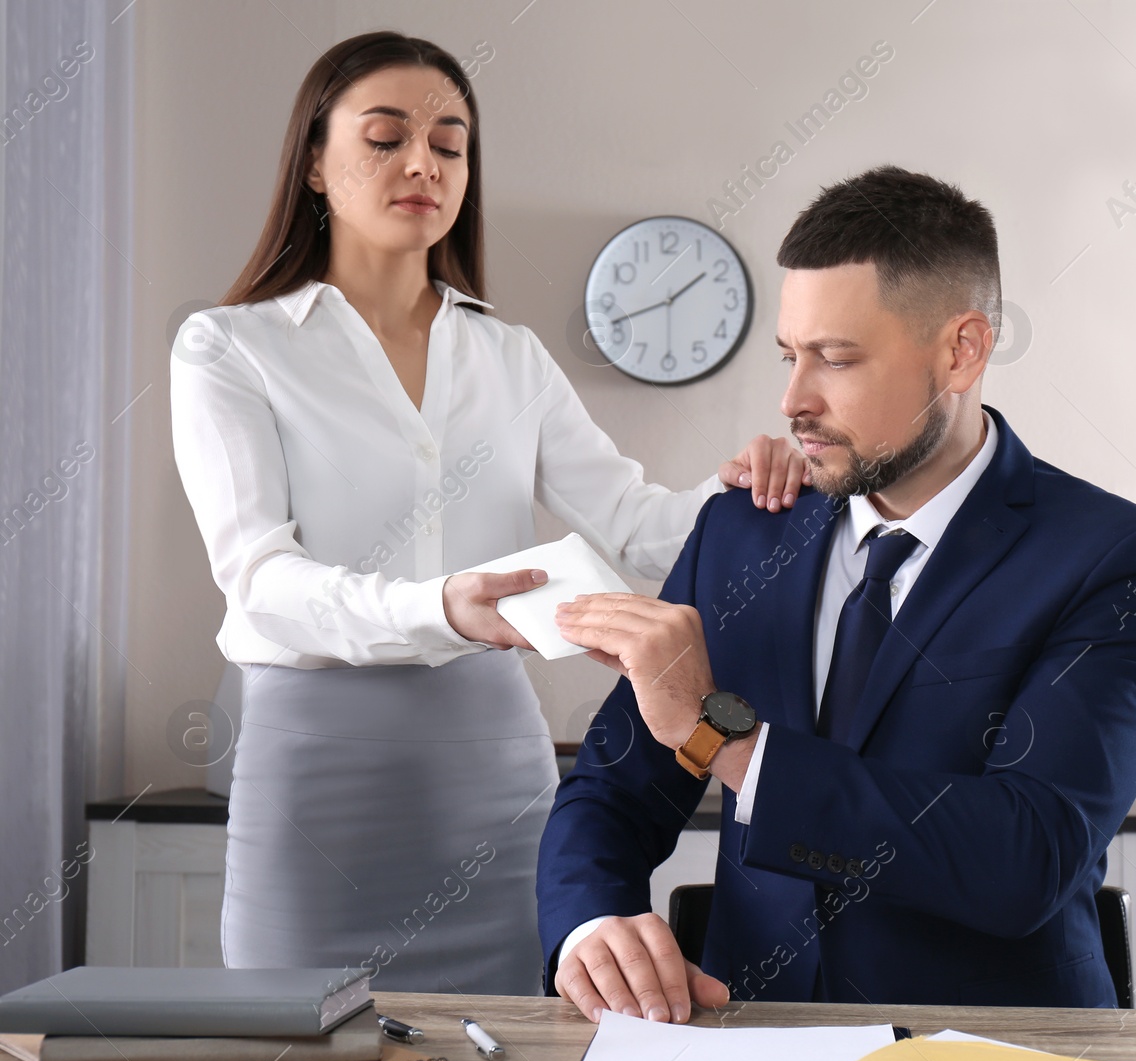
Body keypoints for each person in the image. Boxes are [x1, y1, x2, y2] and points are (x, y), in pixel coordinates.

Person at [169, 31, 806, 997]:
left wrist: (764, 490)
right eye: (385, 138)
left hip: (495, 780)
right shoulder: (229, 348)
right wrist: (440, 606)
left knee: (512, 1038)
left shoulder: (508, 356)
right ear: (311, 162)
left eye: (450, 144)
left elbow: (634, 524)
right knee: (296, 1033)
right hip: (316, 780)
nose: (423, 162)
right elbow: (260, 581)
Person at [536, 165, 1136, 1018]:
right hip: (748, 1027)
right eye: (790, 355)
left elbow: (1026, 855)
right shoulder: (741, 530)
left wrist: (725, 738)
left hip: (992, 1044)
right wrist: (591, 922)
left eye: (835, 359)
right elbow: (614, 787)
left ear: (962, 350)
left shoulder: (1119, 558)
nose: (793, 399)